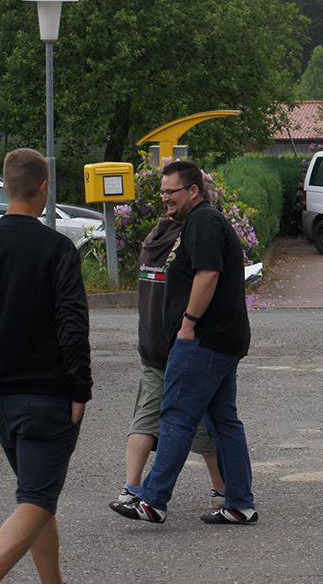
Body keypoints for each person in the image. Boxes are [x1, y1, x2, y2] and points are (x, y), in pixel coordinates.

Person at [0, 148, 92, 584]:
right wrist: (79, 389)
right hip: (47, 397)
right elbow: (72, 325)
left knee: (37, 497)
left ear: (5, 186)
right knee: (36, 498)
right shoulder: (58, 249)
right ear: (45, 189)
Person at [109, 159, 258, 525]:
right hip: (224, 338)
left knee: (176, 415)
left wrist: (188, 324)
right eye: (162, 193)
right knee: (224, 420)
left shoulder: (203, 221)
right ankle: (240, 504)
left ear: (193, 190)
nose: (165, 199)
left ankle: (152, 500)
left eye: (171, 192)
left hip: (205, 339)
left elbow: (208, 274)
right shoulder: (199, 222)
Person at [115, 215, 227, 512]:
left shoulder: (152, 240)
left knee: (145, 418)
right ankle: (221, 489)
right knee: (201, 420)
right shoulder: (188, 241)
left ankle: (131, 487)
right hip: (181, 343)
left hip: (150, 343)